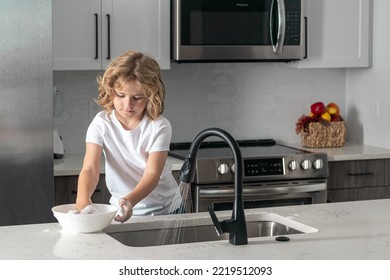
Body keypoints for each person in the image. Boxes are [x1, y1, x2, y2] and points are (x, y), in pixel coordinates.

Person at [74, 50, 182, 222]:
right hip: (121, 207)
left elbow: (152, 174)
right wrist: (82, 200)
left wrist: (130, 201)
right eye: (121, 95)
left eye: (137, 97)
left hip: (165, 209)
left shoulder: (159, 126)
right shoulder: (101, 123)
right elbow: (90, 168)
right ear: (111, 91)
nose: (127, 104)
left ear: (151, 96)